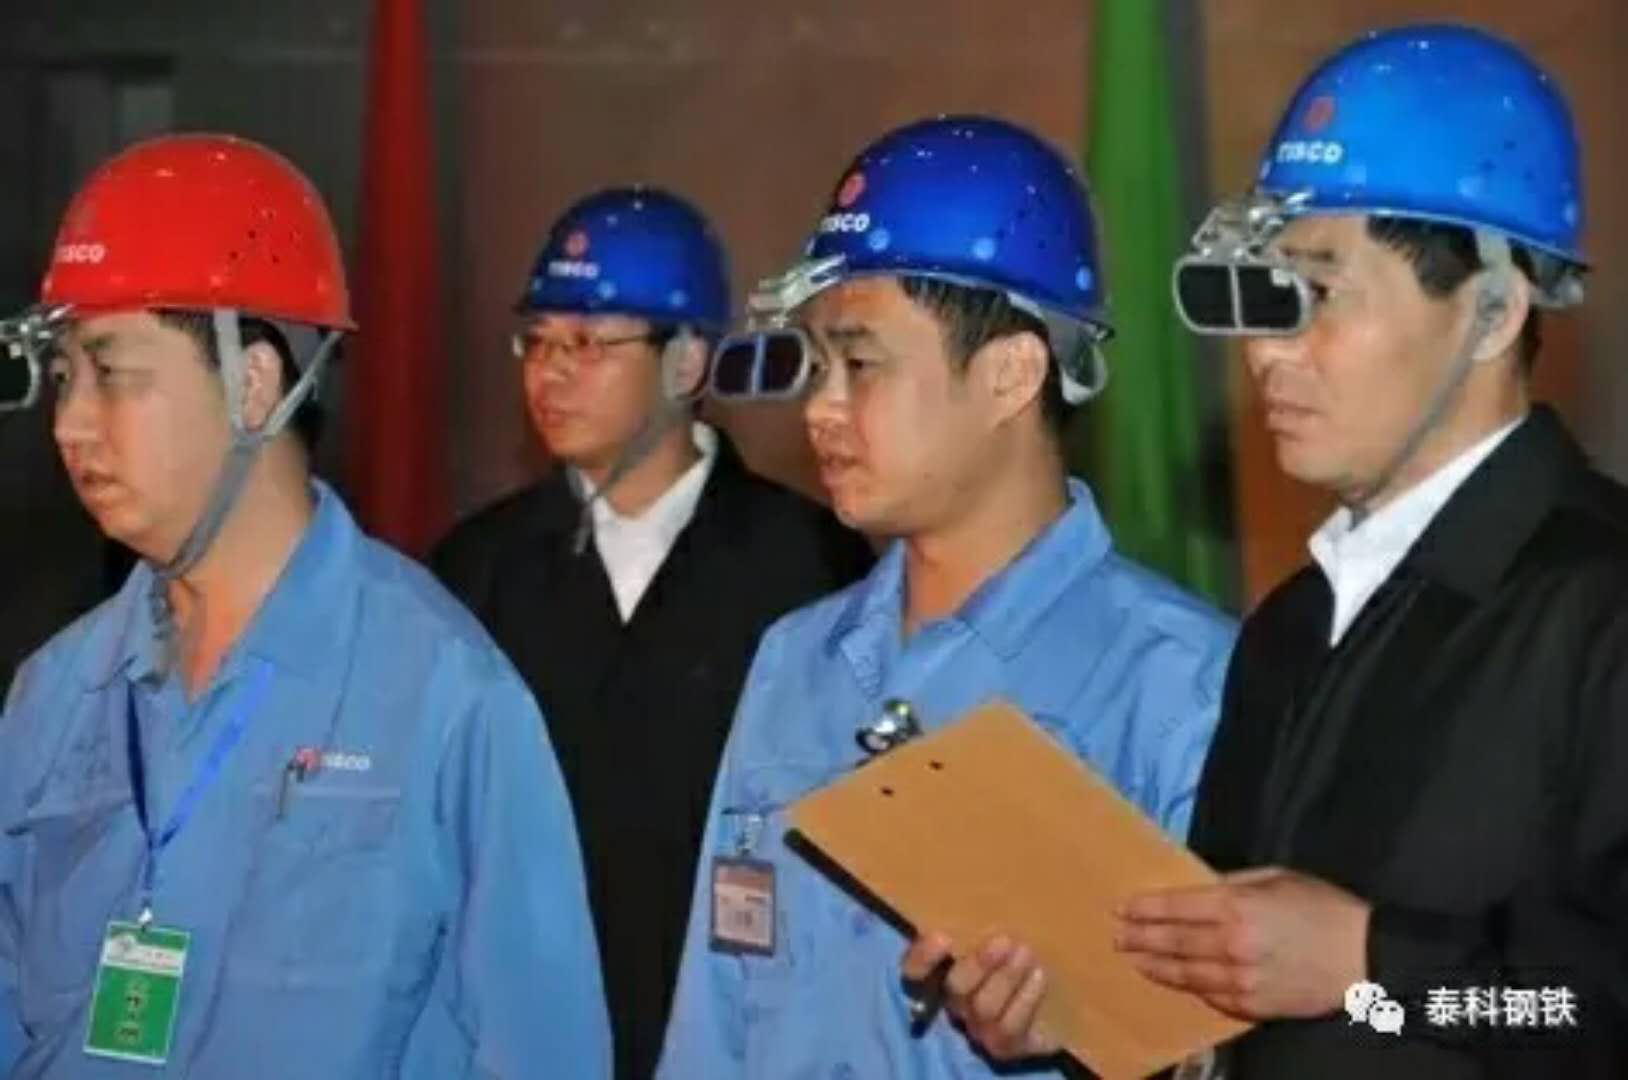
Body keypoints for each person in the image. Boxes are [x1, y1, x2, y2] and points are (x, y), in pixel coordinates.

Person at [928, 24, 1628, 1078]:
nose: (1263, 352)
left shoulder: (1600, 603)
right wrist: (1091, 1018)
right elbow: (1261, 1019)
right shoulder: (1288, 630)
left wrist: (1368, 967)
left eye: (1317, 295)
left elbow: (1589, 1013)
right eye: (1262, 298)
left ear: (1491, 311)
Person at [0, 133, 610, 1077]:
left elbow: (543, 1052)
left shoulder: (445, 698)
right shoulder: (55, 697)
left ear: (253, 384)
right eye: (64, 376)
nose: (71, 423)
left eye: (111, 372)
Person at [657, 114, 1234, 1078]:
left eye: (861, 365)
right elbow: (711, 1028)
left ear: (1010, 374)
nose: (820, 407)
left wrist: (1091, 1032)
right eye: (816, 365)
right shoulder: (795, 661)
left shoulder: (1181, 687)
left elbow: (1226, 1046)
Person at [430, 186, 872, 1079]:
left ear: (687, 362)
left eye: (589, 344)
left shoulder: (810, 564)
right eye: (537, 341)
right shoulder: (473, 570)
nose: (550, 372)